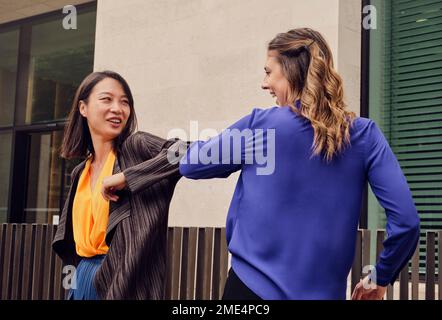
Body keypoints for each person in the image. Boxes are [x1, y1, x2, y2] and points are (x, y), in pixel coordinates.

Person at [179, 28, 420, 300]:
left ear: (291, 71)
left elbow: (191, 164)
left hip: (249, 291)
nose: (263, 83)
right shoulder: (365, 135)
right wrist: (380, 276)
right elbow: (407, 222)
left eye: (269, 72)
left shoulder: (261, 127)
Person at [52, 70, 186, 299]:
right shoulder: (80, 172)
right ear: (83, 108)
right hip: (81, 279)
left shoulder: (136, 147)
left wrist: (127, 177)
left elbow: (187, 152)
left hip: (121, 280)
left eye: (125, 102)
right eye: (107, 99)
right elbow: (70, 243)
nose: (118, 108)